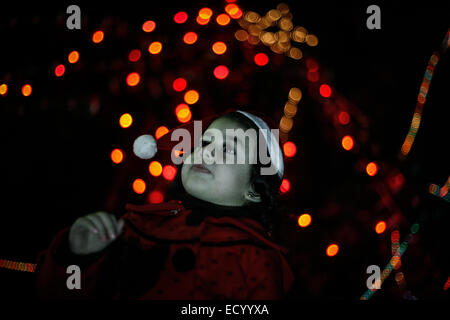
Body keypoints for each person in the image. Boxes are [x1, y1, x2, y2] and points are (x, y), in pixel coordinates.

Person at [35, 110, 295, 299]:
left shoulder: (257, 260)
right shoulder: (135, 226)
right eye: (204, 142)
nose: (206, 151)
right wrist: (73, 257)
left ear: (254, 190)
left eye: (229, 149)